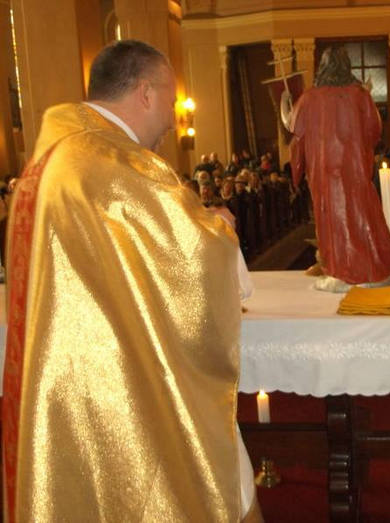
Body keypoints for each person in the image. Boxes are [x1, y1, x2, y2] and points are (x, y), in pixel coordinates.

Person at [2, 40, 260, 521]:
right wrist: (219, 230)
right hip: (117, 377)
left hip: (71, 372)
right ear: (145, 92)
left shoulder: (56, 157)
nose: (173, 121)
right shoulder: (116, 162)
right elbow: (193, 261)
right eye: (170, 100)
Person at [287, 46, 390, 291]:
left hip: (324, 170)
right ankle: (373, 268)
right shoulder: (360, 95)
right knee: (362, 213)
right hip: (355, 169)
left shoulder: (309, 97)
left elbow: (296, 132)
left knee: (333, 217)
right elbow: (374, 131)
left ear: (322, 68)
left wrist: (297, 170)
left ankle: (342, 273)